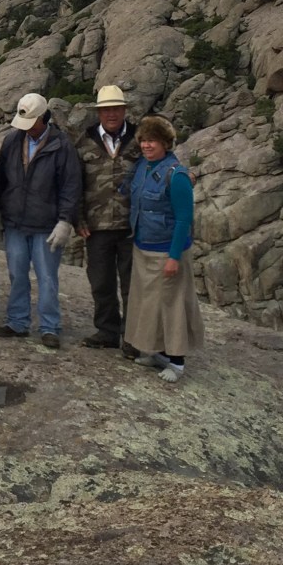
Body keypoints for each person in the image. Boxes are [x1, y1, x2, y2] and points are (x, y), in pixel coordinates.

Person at [0, 93, 81, 349]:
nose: (28, 129)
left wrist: (65, 221)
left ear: (44, 118)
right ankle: (17, 322)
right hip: (15, 221)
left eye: (32, 123)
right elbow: (0, 177)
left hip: (46, 224)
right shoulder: (12, 140)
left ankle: (49, 326)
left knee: (47, 277)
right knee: (17, 274)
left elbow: (71, 186)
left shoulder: (62, 146)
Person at [122, 115, 204, 383]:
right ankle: (157, 352)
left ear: (166, 144)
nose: (146, 145)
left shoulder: (176, 175)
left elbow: (183, 219)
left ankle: (177, 362)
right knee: (149, 305)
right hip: (143, 246)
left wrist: (174, 256)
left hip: (166, 251)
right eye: (144, 140)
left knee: (171, 305)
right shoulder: (142, 167)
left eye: (153, 141)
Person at [73, 84, 140, 354]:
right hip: (96, 225)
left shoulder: (140, 138)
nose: (111, 114)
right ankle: (107, 331)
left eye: (116, 109)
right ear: (99, 113)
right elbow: (75, 183)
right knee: (101, 281)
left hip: (133, 226)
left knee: (133, 284)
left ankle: (133, 338)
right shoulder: (83, 142)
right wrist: (78, 218)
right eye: (106, 110)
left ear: (124, 111)